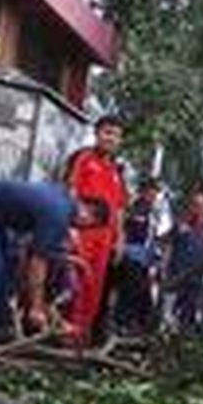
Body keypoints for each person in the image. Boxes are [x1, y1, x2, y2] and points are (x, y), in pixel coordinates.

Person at [0, 178, 102, 342]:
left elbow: (36, 251)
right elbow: (38, 262)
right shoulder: (60, 215)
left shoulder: (62, 199)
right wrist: (36, 309)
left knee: (8, 261)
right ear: (88, 214)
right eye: (88, 226)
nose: (80, 229)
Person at [63, 114, 127, 345]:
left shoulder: (116, 172)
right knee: (74, 282)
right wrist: (70, 228)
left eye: (116, 135)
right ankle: (64, 333)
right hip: (83, 233)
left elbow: (119, 208)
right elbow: (70, 191)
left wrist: (120, 239)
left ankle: (82, 335)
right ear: (97, 134)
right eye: (107, 132)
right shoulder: (82, 158)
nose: (111, 138)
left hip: (105, 240)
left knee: (95, 288)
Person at [161, 185, 203, 333]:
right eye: (193, 205)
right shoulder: (181, 226)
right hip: (177, 278)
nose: (196, 209)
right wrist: (164, 271)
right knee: (170, 317)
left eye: (200, 205)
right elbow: (167, 246)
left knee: (190, 317)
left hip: (197, 281)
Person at [110, 176, 161, 335]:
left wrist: (154, 261)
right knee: (130, 292)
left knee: (143, 298)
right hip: (131, 258)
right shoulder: (135, 209)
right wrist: (121, 250)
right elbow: (125, 230)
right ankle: (122, 323)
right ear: (143, 192)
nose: (152, 195)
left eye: (154, 192)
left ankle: (136, 326)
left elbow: (151, 238)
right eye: (149, 191)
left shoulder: (152, 213)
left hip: (144, 261)